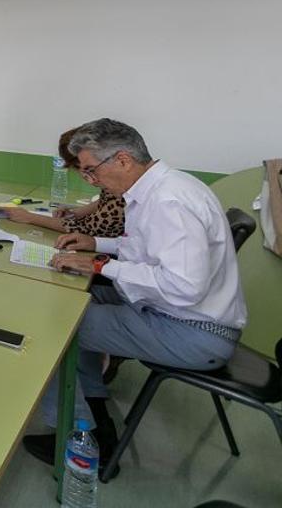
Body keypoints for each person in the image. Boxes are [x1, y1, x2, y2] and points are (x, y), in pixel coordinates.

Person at [22, 118, 247, 471]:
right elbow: (145, 249)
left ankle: (82, 441)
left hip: (193, 331)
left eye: (92, 172)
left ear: (123, 160)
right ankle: (91, 410)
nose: (93, 182)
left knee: (55, 327)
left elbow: (184, 286)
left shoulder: (169, 201)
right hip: (177, 314)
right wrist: (97, 244)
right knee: (79, 301)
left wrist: (100, 266)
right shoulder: (161, 188)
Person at [3, 127, 125, 238]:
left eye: (85, 168)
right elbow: (105, 201)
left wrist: (30, 217)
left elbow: (87, 228)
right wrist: (75, 213)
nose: (85, 176)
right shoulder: (112, 183)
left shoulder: (122, 186)